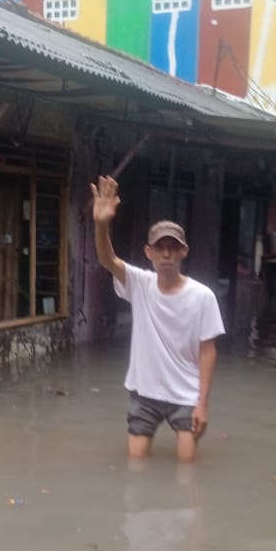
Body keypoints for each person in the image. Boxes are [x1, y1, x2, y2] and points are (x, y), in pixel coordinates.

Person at [90, 174, 225, 463]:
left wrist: (203, 404)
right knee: (135, 467)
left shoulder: (203, 297)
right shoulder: (139, 283)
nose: (166, 254)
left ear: (183, 251)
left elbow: (208, 352)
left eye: (173, 247)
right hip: (145, 393)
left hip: (186, 395)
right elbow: (107, 260)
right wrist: (101, 224)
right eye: (160, 248)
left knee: (187, 468)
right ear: (148, 252)